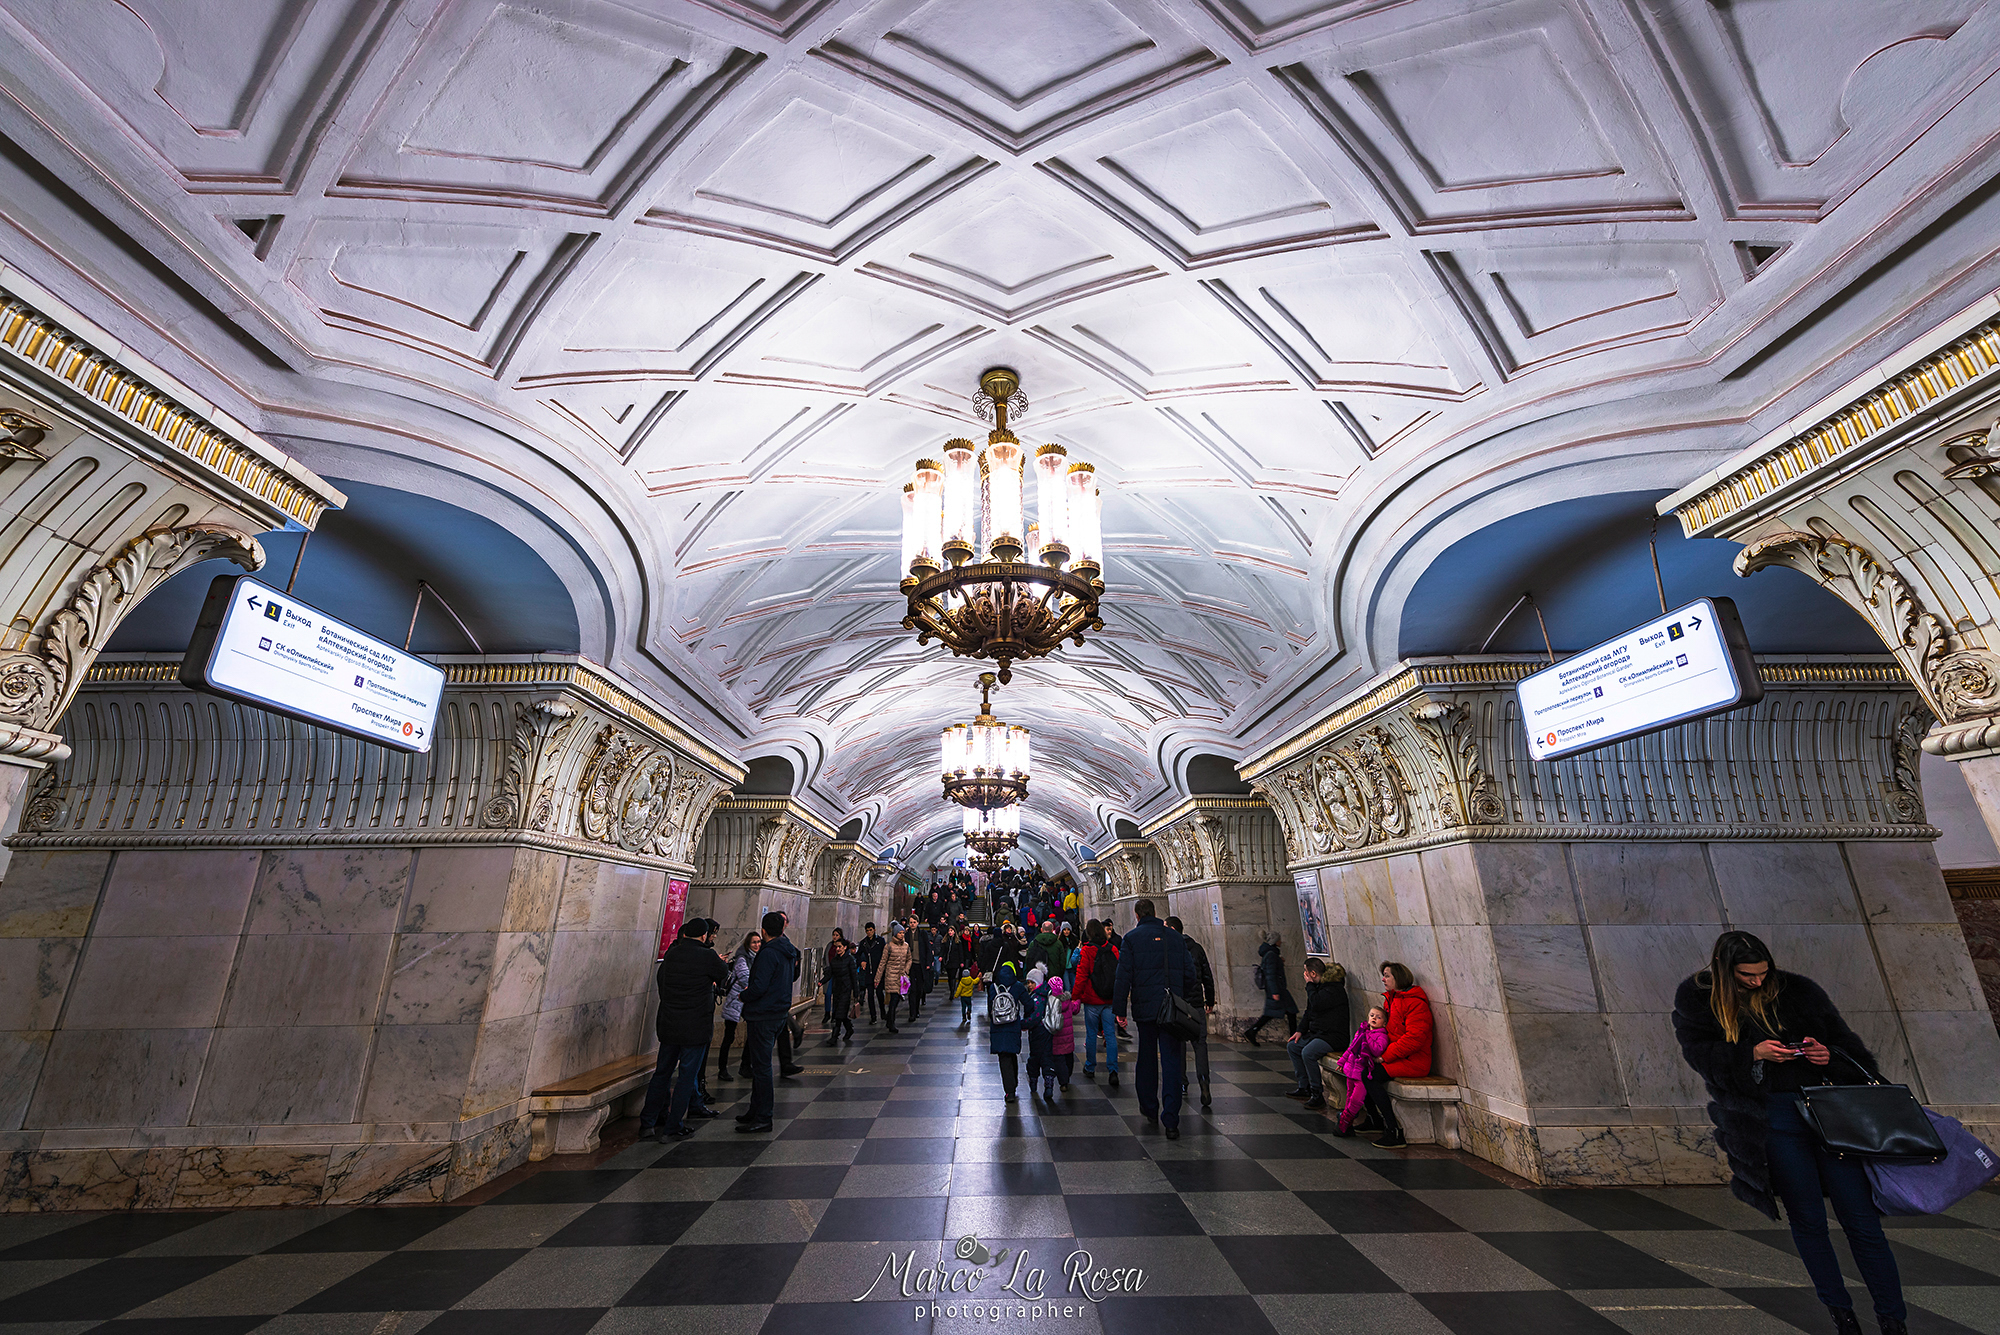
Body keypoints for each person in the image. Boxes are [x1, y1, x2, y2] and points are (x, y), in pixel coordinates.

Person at [1674, 931, 1908, 1335]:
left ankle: (1893, 1319)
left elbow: (1852, 1053)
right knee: (1808, 1220)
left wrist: (1827, 1055)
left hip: (1827, 1114)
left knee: (1862, 1222)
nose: (1758, 981)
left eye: (1764, 973)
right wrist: (1752, 1054)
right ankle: (1842, 1314)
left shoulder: (1798, 990)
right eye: (1747, 975)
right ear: (1724, 970)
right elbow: (1701, 1058)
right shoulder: (1698, 998)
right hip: (1773, 1118)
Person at [1112, 898, 1199, 1139]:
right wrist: (1180, 997)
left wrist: (1119, 1009)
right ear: (1155, 913)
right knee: (1172, 1060)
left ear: (1137, 915)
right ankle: (1171, 1119)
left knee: (1147, 1057)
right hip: (1171, 1009)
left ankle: (1149, 1106)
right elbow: (1190, 974)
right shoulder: (1174, 937)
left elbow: (1123, 977)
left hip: (1146, 1010)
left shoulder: (1131, 939)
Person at [640, 918, 733, 1140]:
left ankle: (647, 1123)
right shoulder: (707, 955)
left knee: (662, 1073)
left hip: (670, 1024)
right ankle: (673, 1127)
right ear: (703, 935)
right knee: (685, 1076)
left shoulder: (672, 954)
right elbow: (723, 975)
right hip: (695, 1026)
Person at [735, 910, 797, 1134]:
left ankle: (763, 1117)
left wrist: (744, 995)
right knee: (760, 1066)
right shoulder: (787, 950)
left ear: (763, 931)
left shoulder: (768, 953)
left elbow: (759, 986)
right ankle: (755, 1110)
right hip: (778, 1012)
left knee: (761, 1069)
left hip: (764, 1015)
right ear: (782, 929)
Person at [1369, 961, 1433, 1149]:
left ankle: (1394, 1130)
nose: (1383, 979)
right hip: (1398, 1057)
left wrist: (1383, 1057)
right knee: (1359, 1069)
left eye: (1387, 975)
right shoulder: (1391, 1000)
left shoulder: (1415, 1004)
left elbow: (1414, 1040)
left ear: (1399, 978)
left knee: (1370, 1076)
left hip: (1414, 1061)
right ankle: (1374, 1120)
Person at [1283, 958, 1349, 1111]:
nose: (1304, 975)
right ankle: (1303, 1086)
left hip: (1334, 1036)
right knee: (1293, 1046)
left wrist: (1309, 985)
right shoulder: (1319, 988)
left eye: (1306, 972)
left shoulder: (1334, 989)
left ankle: (1317, 1094)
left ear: (1312, 973)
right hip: (1319, 1034)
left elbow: (1317, 1003)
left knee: (1308, 1052)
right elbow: (1309, 1010)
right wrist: (1300, 1030)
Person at [1165, 916, 1216, 1109]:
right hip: (1196, 1004)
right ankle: (1204, 1082)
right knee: (1200, 1044)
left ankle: (1182, 1082)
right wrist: (1209, 1000)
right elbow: (1208, 977)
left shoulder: (1170, 950)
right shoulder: (1197, 948)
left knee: (1178, 1044)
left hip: (1179, 1005)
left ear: (1172, 929)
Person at [1332, 1007, 1390, 1136]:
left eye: (1378, 1017)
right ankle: (1347, 1123)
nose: (1374, 1018)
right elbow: (1351, 1048)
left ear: (1384, 1023)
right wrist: (1342, 1061)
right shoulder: (1361, 1031)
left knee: (1357, 1100)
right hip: (1351, 1070)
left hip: (1362, 1074)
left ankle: (1344, 1120)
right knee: (1349, 1097)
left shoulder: (1381, 1036)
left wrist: (1366, 1037)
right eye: (1372, 1015)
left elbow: (1377, 1050)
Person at [1075, 920, 1119, 1086]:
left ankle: (1090, 1066)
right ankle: (1113, 1069)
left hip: (1093, 1000)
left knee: (1092, 1033)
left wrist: (1075, 996)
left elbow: (1081, 975)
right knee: (1110, 1034)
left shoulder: (1087, 950)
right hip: (1109, 998)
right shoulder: (1113, 948)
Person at [716, 930, 758, 1080]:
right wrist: (757, 986)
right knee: (729, 1036)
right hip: (736, 1001)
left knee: (752, 1033)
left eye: (759, 942)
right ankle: (722, 1069)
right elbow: (744, 977)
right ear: (748, 944)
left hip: (748, 1000)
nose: (757, 945)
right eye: (754, 942)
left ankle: (745, 1066)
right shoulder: (742, 957)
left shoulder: (758, 957)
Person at [1243, 932, 1297, 1045]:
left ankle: (1253, 1031)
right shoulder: (1271, 955)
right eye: (1279, 940)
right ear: (1274, 941)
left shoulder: (1271, 954)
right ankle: (1295, 1038)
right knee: (1283, 1012)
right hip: (1277, 989)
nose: (1280, 942)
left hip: (1277, 989)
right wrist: (1275, 992)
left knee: (1280, 1012)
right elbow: (1270, 975)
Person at [988, 958, 1030, 1101]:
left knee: (1003, 1058)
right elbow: (1029, 1004)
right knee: (1012, 1054)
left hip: (998, 1028)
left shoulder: (993, 987)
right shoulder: (1017, 986)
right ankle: (1014, 1084)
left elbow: (990, 1010)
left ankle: (1009, 1091)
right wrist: (1025, 1020)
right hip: (1013, 1026)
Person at [876, 920, 914, 1033]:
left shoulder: (906, 946)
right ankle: (891, 1023)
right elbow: (882, 963)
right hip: (891, 976)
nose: (902, 935)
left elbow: (909, 959)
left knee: (896, 1000)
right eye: (900, 933)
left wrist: (906, 970)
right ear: (895, 934)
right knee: (893, 999)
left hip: (901, 977)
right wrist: (877, 978)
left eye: (903, 933)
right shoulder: (889, 947)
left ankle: (889, 1019)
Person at [822, 937, 859, 1045]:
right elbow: (830, 973)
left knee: (839, 1014)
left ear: (845, 947)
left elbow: (854, 977)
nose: (837, 949)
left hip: (846, 990)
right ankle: (849, 1029)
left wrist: (856, 994)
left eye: (839, 947)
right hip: (837, 989)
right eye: (836, 947)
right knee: (840, 1013)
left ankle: (834, 1036)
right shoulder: (834, 960)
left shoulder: (850, 960)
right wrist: (821, 981)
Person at [856, 923, 885, 1024]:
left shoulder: (880, 941)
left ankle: (883, 1012)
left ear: (874, 930)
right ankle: (873, 1016)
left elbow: (884, 954)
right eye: (867, 930)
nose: (869, 932)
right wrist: (861, 962)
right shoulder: (863, 943)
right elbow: (858, 955)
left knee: (880, 993)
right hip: (868, 972)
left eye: (871, 930)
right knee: (870, 995)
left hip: (878, 971)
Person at [954, 958, 982, 1026]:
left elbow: (959, 990)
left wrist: (956, 995)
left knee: (963, 1007)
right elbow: (975, 981)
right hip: (969, 996)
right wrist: (978, 977)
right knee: (969, 1005)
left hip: (963, 997)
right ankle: (969, 1011)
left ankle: (964, 1017)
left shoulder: (961, 982)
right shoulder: (971, 980)